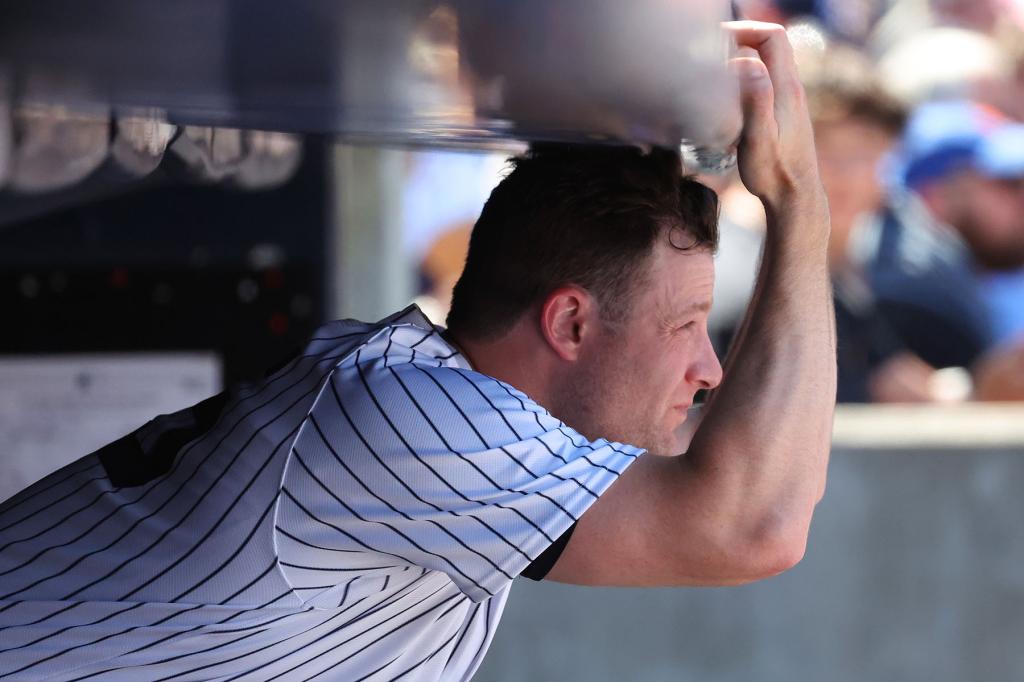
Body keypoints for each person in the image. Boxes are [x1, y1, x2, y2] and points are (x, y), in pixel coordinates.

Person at [0, 21, 835, 680]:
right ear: (571, 324)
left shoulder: (444, 422)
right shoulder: (416, 417)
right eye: (686, 324)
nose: (708, 369)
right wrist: (799, 202)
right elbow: (750, 526)